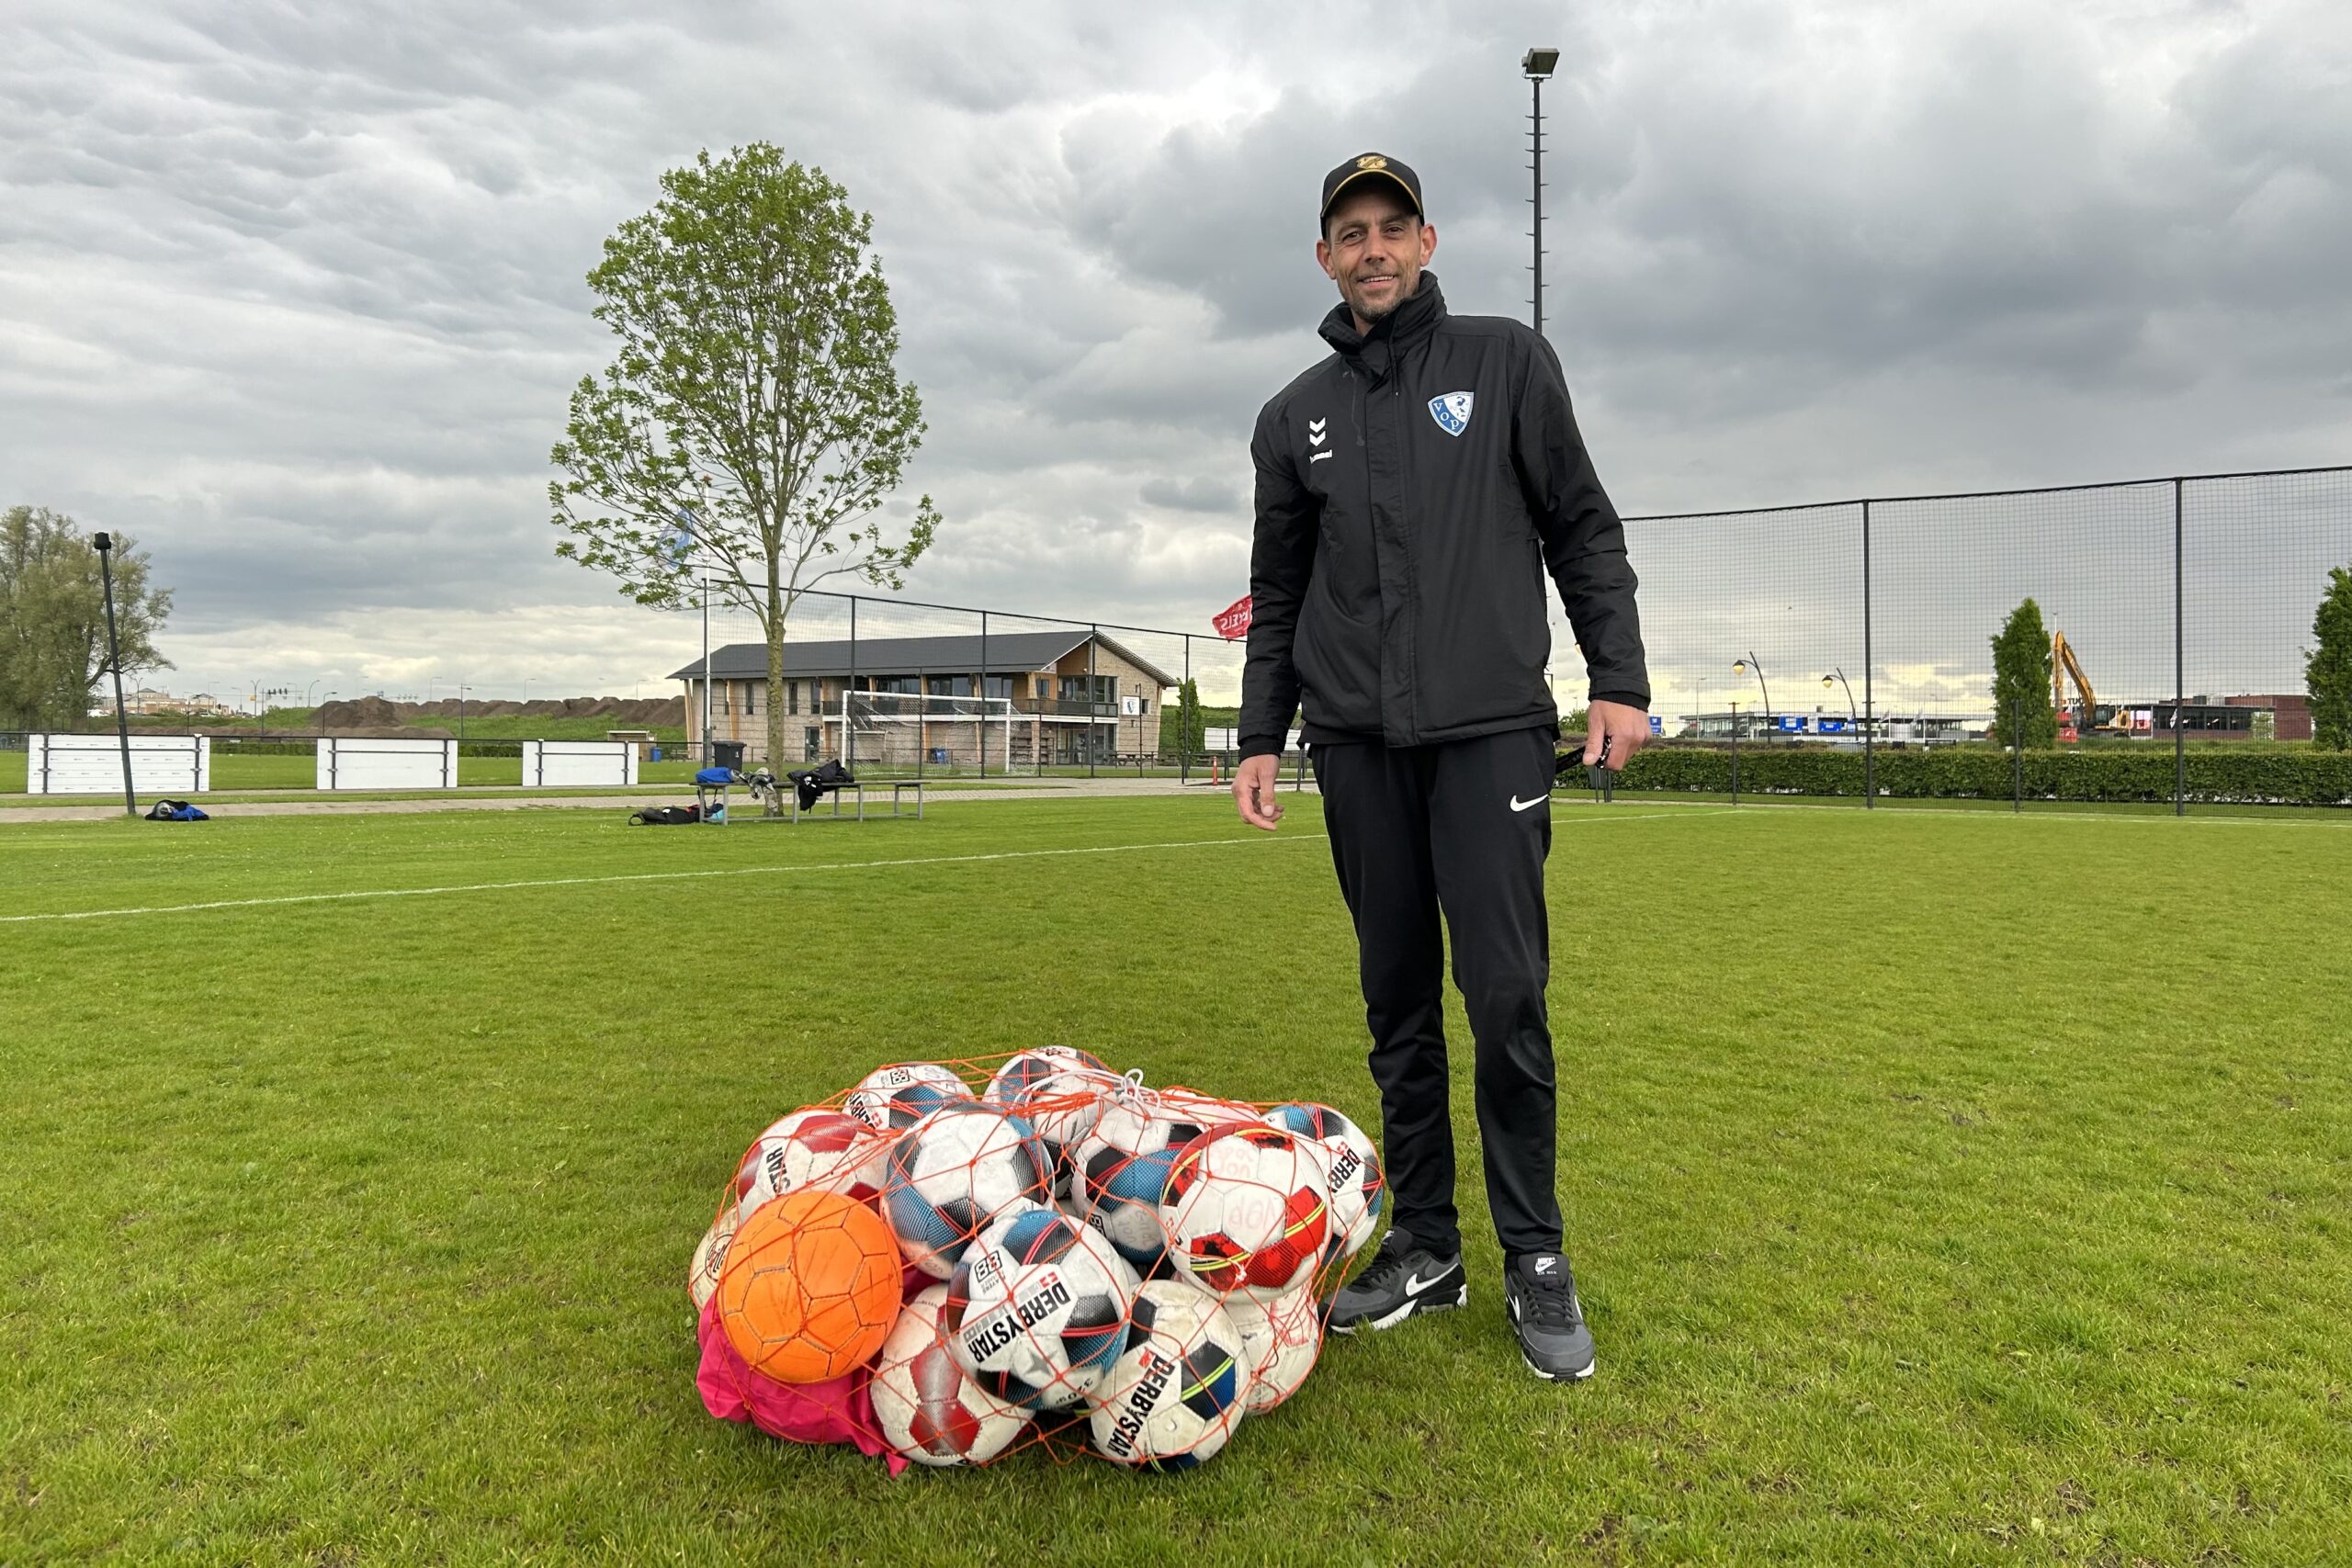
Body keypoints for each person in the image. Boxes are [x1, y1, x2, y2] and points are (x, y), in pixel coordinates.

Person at [1232, 152, 1651, 1382]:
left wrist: (1615, 677)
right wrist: (1263, 735)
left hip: (1490, 738)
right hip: (1355, 746)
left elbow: (1581, 522)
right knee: (1396, 998)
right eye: (1348, 233)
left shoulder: (1506, 363)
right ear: (1324, 257)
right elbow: (1279, 596)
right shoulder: (1291, 417)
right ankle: (1425, 1242)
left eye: (1390, 228)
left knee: (1507, 996)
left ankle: (1536, 1256)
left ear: (1425, 241)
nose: (1370, 249)